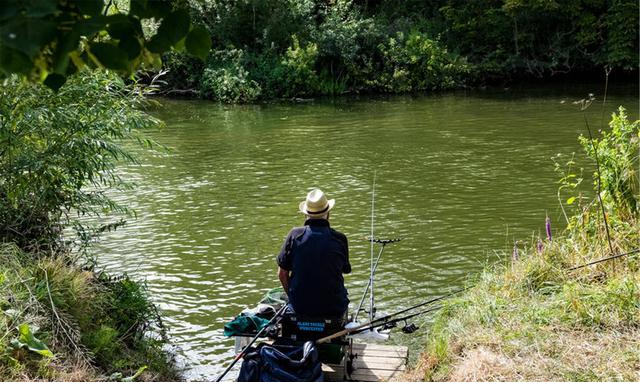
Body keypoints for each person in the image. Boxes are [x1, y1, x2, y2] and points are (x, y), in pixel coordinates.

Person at [277, 189, 351, 318]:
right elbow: (345, 269)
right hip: (334, 308)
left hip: (300, 308)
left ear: (306, 214)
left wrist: (293, 298)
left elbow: (282, 274)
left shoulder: (294, 235)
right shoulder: (339, 239)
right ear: (328, 213)